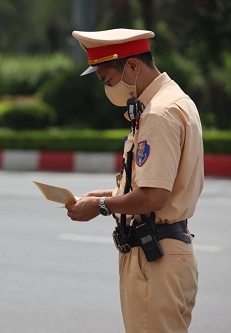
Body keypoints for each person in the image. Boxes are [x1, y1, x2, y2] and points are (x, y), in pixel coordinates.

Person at [66, 28, 204, 333]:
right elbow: (151, 186)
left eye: (108, 80)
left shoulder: (159, 113)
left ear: (131, 66)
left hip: (156, 258)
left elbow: (154, 196)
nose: (109, 89)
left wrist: (100, 205)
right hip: (164, 251)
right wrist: (107, 195)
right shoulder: (172, 101)